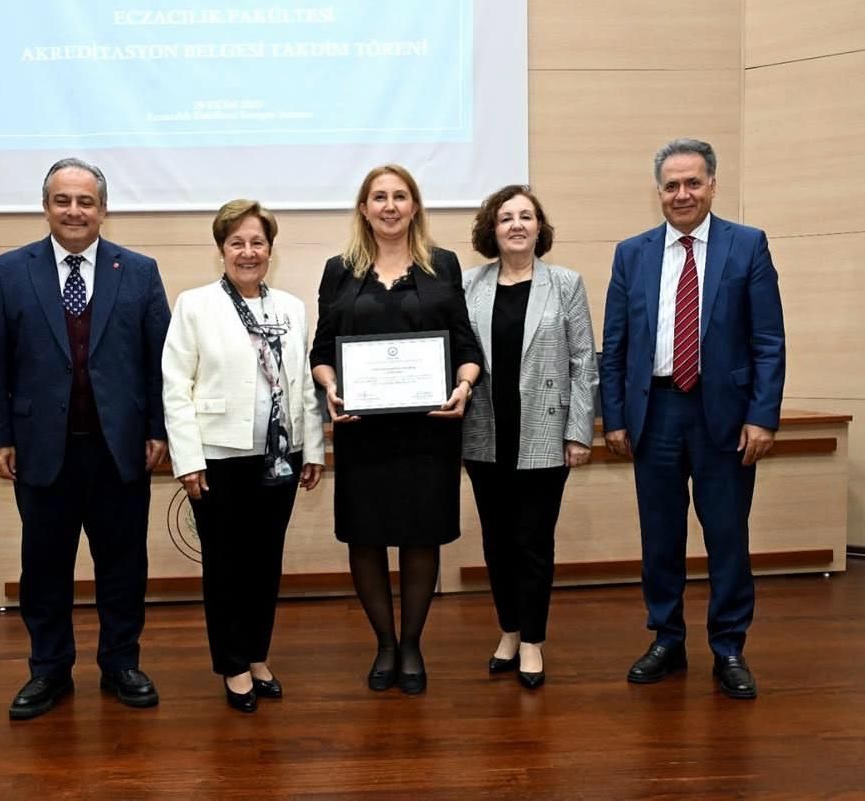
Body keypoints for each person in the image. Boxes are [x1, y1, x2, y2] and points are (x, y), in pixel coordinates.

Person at [0, 157, 171, 719]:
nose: (74, 211)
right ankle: (49, 670)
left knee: (123, 565)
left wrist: (158, 428)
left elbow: (160, 362)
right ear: (46, 207)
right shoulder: (9, 271)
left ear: (103, 209)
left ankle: (120, 663)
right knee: (44, 568)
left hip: (121, 448)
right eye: (63, 200)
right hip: (40, 449)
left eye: (86, 201)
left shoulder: (137, 271)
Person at [600, 138, 786, 699]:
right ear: (658, 192)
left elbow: (768, 340)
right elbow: (615, 345)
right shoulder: (631, 252)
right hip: (654, 411)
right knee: (660, 536)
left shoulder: (747, 245)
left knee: (727, 535)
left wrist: (763, 416)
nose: (682, 193)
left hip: (723, 416)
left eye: (693, 182)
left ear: (712, 185)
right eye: (671, 185)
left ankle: (729, 646)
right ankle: (667, 638)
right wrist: (614, 417)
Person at [310, 165, 482, 695]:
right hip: (363, 431)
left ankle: (411, 644)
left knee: (420, 534)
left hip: (429, 432)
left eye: (399, 196)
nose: (389, 206)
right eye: (378, 197)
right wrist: (330, 387)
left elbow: (466, 347)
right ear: (364, 208)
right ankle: (384, 642)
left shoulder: (444, 266)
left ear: (414, 206)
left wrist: (465, 386)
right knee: (365, 537)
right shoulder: (339, 270)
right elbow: (322, 351)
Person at [162, 199, 324, 713]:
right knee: (226, 565)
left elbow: (303, 389)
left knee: (264, 564)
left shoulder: (291, 309)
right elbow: (175, 386)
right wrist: (187, 459)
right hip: (218, 458)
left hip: (280, 457)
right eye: (237, 243)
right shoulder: (195, 305)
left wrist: (313, 448)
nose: (248, 252)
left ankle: (257, 655)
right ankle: (232, 664)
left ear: (270, 250)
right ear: (221, 250)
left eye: (257, 242)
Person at [462, 185, 598, 690]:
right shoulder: (469, 284)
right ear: (490, 230)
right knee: (496, 542)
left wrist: (579, 432)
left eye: (526, 216)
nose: (516, 224)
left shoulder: (565, 283)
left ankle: (534, 640)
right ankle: (509, 631)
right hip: (484, 434)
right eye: (505, 217)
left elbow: (585, 363)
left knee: (533, 541)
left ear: (539, 227)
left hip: (545, 432)